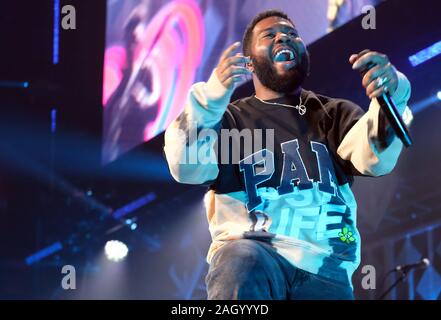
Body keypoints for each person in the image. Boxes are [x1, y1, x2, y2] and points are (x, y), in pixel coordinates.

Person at [164, 9, 411, 299]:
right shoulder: (229, 120)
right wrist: (210, 100)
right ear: (250, 63)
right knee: (240, 257)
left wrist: (392, 92)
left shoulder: (333, 114)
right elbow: (184, 165)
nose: (284, 36)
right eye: (269, 35)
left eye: (292, 34)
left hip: (326, 266)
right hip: (254, 252)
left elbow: (375, 160)